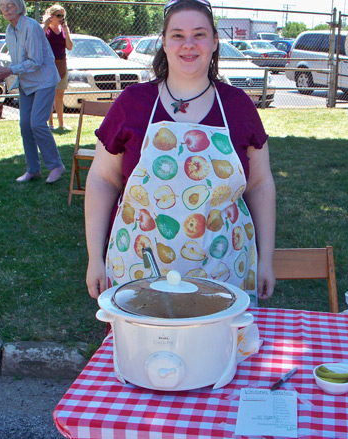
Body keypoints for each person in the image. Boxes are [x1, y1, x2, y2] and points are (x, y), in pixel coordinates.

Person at [85, 0, 276, 306]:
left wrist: (266, 258)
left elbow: (260, 184)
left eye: (199, 34)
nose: (189, 44)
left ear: (214, 42)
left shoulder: (238, 107)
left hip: (224, 268)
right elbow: (102, 180)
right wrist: (95, 256)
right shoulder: (133, 103)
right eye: (177, 35)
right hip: (140, 266)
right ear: (164, 42)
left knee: (216, 350)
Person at [0, 0, 66, 183]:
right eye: (2, 6)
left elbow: (35, 61)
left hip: (44, 80)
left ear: (19, 6)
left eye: (10, 5)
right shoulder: (10, 30)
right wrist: (2, 68)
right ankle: (33, 169)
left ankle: (56, 166)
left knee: (37, 123)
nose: (6, 9)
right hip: (26, 83)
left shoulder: (32, 26)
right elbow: (18, 60)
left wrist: (9, 70)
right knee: (25, 126)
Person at [42, 3, 73, 132]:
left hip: (61, 64)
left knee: (60, 94)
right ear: (51, 16)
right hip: (48, 65)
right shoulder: (46, 29)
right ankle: (50, 123)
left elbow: (69, 46)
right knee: (49, 94)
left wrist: (66, 31)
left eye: (63, 16)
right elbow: (39, 40)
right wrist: (45, 25)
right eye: (59, 15)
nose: (62, 18)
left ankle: (61, 123)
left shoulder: (63, 29)